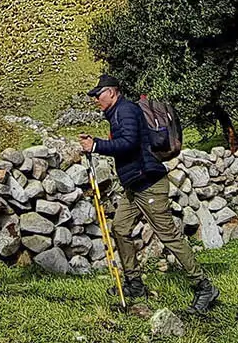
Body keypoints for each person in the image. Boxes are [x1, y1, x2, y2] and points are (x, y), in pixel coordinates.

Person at [78, 74, 218, 314]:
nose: (96, 99)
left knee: (168, 235)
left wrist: (97, 146)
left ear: (111, 92)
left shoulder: (126, 111)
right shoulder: (117, 113)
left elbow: (130, 143)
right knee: (120, 228)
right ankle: (134, 283)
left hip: (149, 183)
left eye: (98, 94)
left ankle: (204, 287)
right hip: (135, 185)